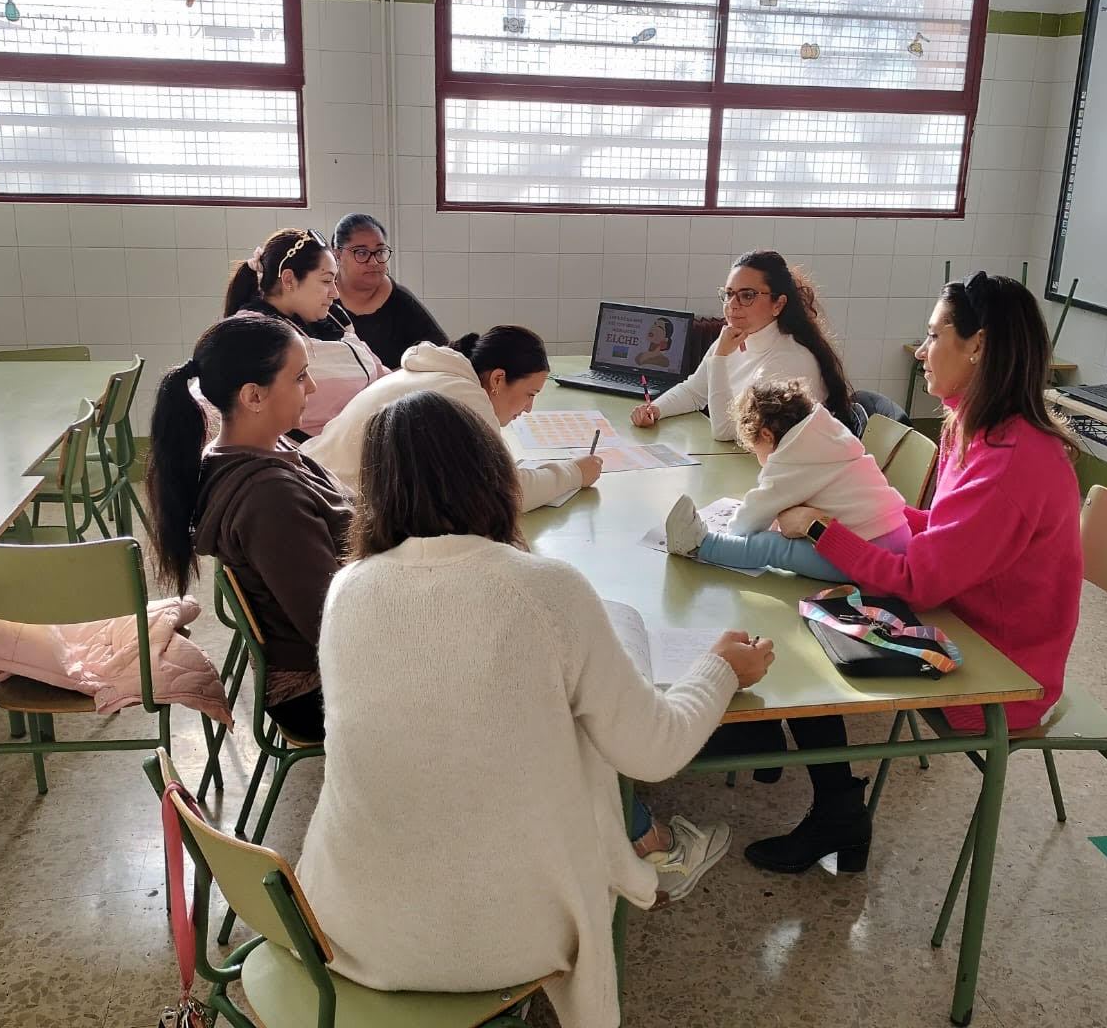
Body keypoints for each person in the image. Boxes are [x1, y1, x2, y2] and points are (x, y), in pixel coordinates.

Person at [294, 390, 774, 1028]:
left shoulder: (347, 589)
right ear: (496, 475)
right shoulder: (546, 591)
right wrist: (720, 669)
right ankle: (656, 852)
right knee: (587, 730)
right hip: (504, 941)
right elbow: (654, 751)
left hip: (344, 927)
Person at [736, 271, 1083, 875]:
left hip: (998, 665)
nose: (921, 351)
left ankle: (832, 806)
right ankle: (817, 787)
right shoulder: (978, 428)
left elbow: (921, 581)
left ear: (978, 345)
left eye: (932, 335)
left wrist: (822, 527)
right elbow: (946, 535)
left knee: (809, 631)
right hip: (960, 617)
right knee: (813, 604)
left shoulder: (1012, 460)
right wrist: (875, 517)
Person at [145, 314, 352, 742]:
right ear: (254, 396)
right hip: (316, 692)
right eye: (299, 377)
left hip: (335, 651)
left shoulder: (266, 447)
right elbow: (333, 627)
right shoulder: (269, 500)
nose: (310, 388)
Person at [303, 325, 602, 510]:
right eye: (530, 394)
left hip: (312, 485)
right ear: (497, 379)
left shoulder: (431, 372)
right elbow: (508, 494)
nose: (528, 409)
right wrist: (575, 473)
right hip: (335, 508)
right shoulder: (465, 394)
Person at [663, 378, 909, 579]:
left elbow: (753, 516)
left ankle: (701, 544)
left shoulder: (791, 459)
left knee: (774, 547)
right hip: (898, 536)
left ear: (767, 436)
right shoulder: (825, 434)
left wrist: (734, 529)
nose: (757, 456)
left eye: (754, 449)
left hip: (862, 556)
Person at [630, 249, 856, 441]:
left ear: (778, 304)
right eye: (729, 294)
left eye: (747, 295)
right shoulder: (735, 336)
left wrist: (719, 359)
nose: (732, 305)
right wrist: (655, 410)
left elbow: (726, 431)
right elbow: (694, 392)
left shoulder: (788, 361)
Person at [316, 212, 448, 368]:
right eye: (361, 253)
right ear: (337, 254)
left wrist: (394, 378)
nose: (374, 262)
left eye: (379, 252)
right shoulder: (320, 300)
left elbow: (442, 353)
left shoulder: (401, 301)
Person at [224, 228, 345, 340]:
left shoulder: (324, 323)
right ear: (289, 280)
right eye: (326, 281)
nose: (335, 294)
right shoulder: (252, 333)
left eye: (334, 281)